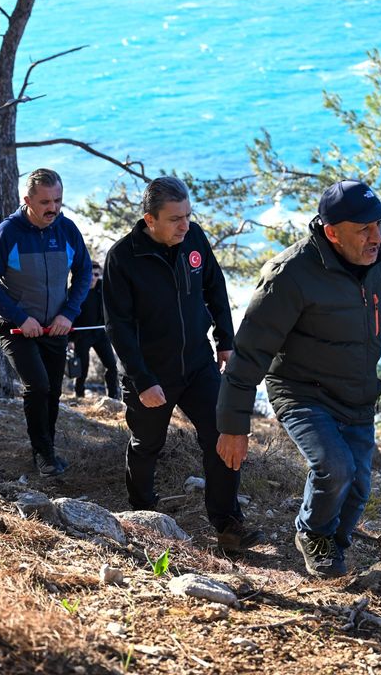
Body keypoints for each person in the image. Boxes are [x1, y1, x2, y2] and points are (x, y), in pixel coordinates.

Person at [216, 180, 381, 577]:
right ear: (332, 232)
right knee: (334, 468)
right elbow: (251, 352)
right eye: (364, 229)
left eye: (378, 225)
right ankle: (313, 534)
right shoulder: (289, 274)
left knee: (357, 488)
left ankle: (333, 550)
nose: (376, 237)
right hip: (301, 391)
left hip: (356, 393)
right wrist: (233, 426)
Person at [103, 176, 264, 552]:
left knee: (222, 436)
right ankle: (143, 513)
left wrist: (226, 340)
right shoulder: (123, 257)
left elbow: (215, 287)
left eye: (188, 215)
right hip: (150, 371)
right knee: (147, 444)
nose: (185, 225)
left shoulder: (194, 240)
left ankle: (228, 526)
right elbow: (118, 327)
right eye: (175, 218)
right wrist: (142, 380)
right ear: (149, 219)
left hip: (197, 364)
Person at [0, 168, 92, 476]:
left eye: (58, 200)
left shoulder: (67, 230)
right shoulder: (8, 232)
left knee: (53, 390)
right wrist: (19, 316)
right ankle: (42, 454)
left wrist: (68, 313)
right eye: (45, 202)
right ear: (26, 200)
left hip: (55, 327)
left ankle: (48, 450)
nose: (52, 208)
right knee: (38, 386)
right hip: (17, 329)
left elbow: (83, 273)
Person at [70, 259, 120, 399]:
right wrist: (70, 339)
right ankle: (79, 395)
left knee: (112, 365)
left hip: (100, 333)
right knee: (82, 368)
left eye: (96, 274)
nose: (93, 277)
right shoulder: (76, 290)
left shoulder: (103, 288)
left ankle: (113, 396)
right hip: (81, 335)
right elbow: (68, 315)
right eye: (90, 274)